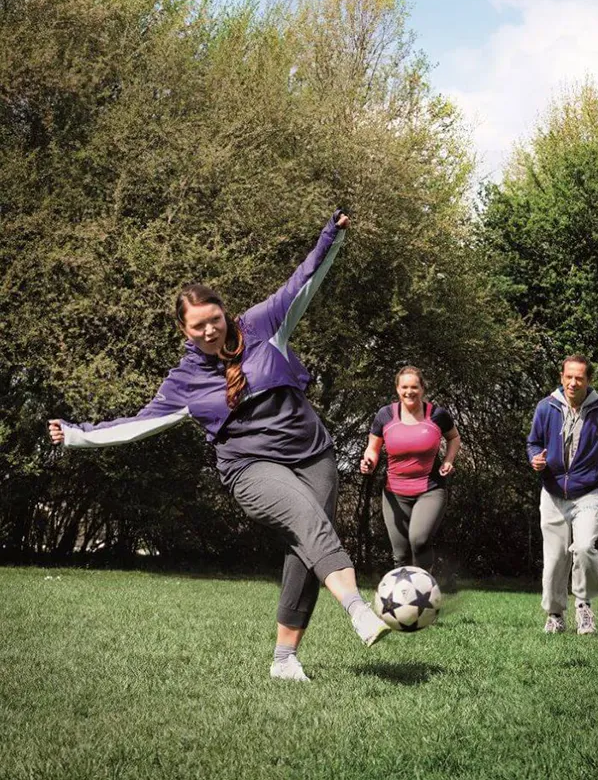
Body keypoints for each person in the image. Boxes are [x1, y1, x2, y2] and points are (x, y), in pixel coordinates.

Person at [48, 210, 390, 683]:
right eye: (198, 327)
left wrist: (331, 235)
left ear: (225, 312)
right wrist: (79, 433)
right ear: (184, 332)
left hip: (314, 455)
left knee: (306, 548)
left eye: (214, 320)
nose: (210, 331)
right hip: (251, 468)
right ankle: (357, 608)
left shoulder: (264, 326)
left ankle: (284, 660)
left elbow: (303, 283)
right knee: (309, 522)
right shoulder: (185, 382)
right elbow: (139, 424)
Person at [526, 354, 598, 635]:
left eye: (580, 378)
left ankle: (584, 607)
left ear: (588, 380)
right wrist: (535, 458)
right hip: (552, 493)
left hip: (589, 493)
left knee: (584, 548)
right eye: (569, 377)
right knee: (554, 560)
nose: (573, 383)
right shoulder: (546, 407)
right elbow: (533, 442)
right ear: (561, 378)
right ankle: (554, 614)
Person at [360, 366, 460, 574]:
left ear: (422, 389)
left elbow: (454, 437)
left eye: (414, 387)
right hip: (394, 493)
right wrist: (368, 461)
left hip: (430, 489)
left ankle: (425, 587)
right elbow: (373, 448)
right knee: (401, 554)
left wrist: (449, 460)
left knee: (419, 540)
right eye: (404, 387)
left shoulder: (437, 415)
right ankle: (404, 600)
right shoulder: (385, 415)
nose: (409, 392)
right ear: (397, 389)